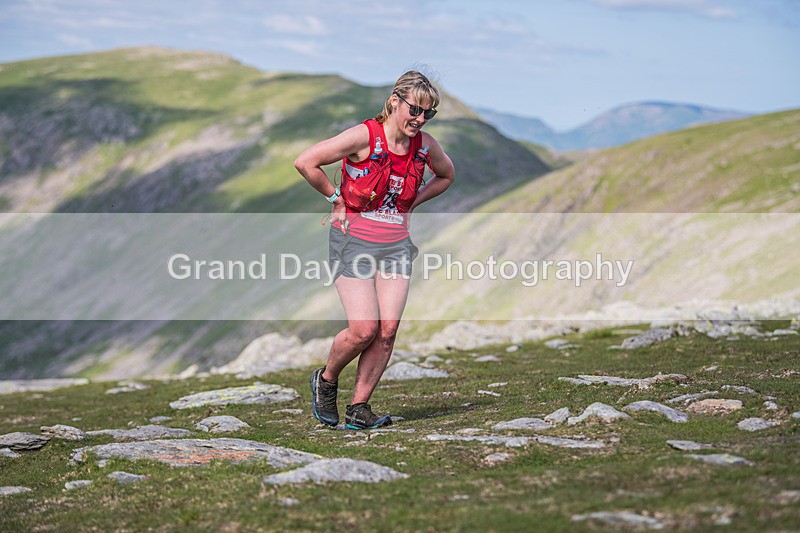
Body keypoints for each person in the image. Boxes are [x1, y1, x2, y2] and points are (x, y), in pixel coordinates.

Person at [294, 70, 455, 430]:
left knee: (387, 330)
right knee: (364, 329)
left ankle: (359, 408)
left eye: (429, 113)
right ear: (394, 101)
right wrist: (335, 198)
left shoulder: (426, 145)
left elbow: (446, 176)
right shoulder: (365, 135)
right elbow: (305, 161)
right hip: (352, 241)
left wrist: (413, 203)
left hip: (396, 244)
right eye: (415, 110)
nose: (420, 119)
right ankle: (327, 379)